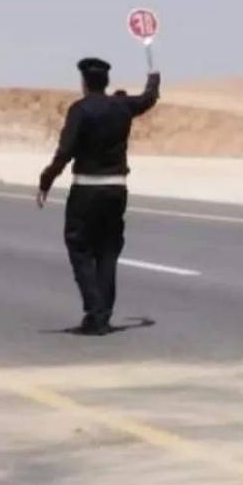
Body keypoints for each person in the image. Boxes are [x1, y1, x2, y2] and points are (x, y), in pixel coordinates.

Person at [37, 39, 161, 335]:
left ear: (84, 82)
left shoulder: (80, 110)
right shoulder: (122, 106)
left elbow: (65, 152)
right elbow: (149, 98)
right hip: (117, 190)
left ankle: (95, 313)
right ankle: (101, 316)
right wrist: (154, 75)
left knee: (80, 248)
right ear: (106, 81)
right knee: (107, 251)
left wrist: (46, 181)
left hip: (86, 191)